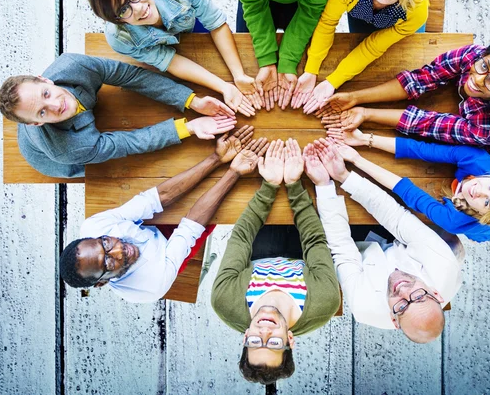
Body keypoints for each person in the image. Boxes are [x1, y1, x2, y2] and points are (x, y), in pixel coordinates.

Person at [59, 128, 267, 302]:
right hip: (166, 254)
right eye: (108, 263)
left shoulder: (94, 227)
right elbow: (190, 228)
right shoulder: (151, 285)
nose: (118, 250)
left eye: (106, 244)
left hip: (149, 228)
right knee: (222, 207)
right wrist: (234, 171)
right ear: (102, 282)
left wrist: (216, 158)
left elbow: (156, 199)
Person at [303, 141, 464, 343]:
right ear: (436, 294)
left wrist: (324, 185)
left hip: (365, 252)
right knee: (450, 242)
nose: (403, 289)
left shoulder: (364, 307)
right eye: (419, 296)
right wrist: (343, 176)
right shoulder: (443, 265)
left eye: (402, 306)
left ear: (393, 320)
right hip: (412, 242)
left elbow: (342, 248)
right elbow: (396, 217)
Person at [211, 139, 340, 385]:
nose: (264, 332)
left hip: (259, 245)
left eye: (255, 341)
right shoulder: (325, 303)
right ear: (290, 340)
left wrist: (269, 185)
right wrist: (293, 184)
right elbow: (315, 242)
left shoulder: (224, 302)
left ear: (245, 337)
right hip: (303, 250)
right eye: (274, 343)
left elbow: (241, 238)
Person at [0, 53, 237, 178]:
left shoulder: (71, 65)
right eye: (42, 111)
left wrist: (190, 100)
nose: (55, 104)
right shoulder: (66, 150)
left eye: (46, 93)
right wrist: (190, 127)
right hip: (55, 158)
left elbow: (130, 76)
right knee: (101, 170)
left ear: (44, 79)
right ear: (37, 122)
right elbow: (129, 143)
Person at [320, 38, 490, 164]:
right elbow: (422, 78)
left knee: (461, 157)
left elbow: (430, 125)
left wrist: (367, 113)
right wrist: (354, 97)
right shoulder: (475, 54)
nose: (478, 80)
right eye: (483, 67)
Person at [86, 0, 260, 115]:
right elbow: (170, 61)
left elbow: (216, 24)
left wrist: (238, 75)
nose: (138, 9)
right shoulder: (120, 39)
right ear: (118, 21)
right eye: (124, 10)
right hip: (160, 48)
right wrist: (224, 87)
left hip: (192, 26)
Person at [292, 0, 429, 112]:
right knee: (356, 43)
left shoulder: (416, 11)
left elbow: (373, 48)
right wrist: (311, 70)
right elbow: (327, 22)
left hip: (399, 23)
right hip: (361, 9)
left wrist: (333, 81)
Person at [326, 129, 490, 242]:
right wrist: (365, 139)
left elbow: (408, 192)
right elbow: (423, 150)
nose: (480, 191)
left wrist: (357, 159)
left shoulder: (455, 221)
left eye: (486, 202)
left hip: (485, 230)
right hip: (489, 210)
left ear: (483, 214)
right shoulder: (481, 162)